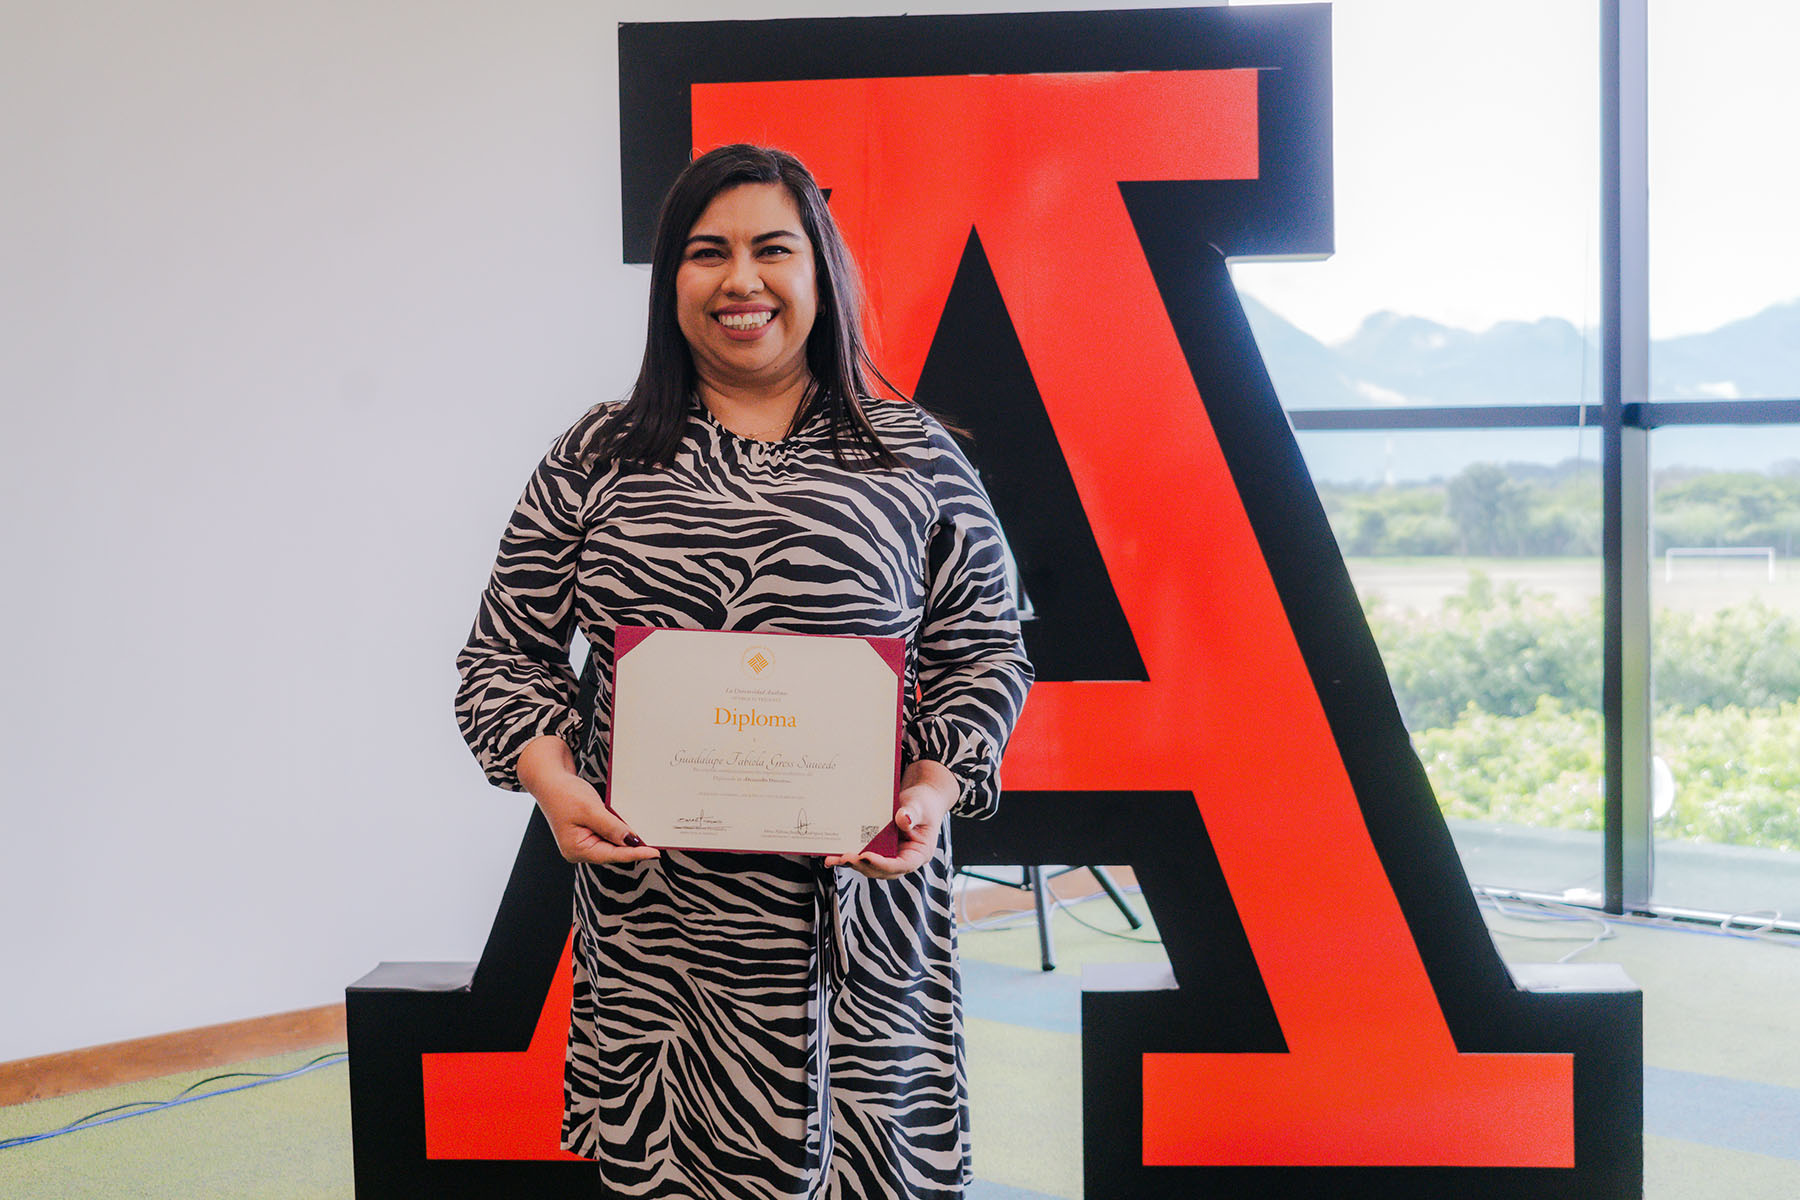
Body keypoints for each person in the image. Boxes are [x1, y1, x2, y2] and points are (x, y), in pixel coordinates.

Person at [453, 144, 1033, 1199]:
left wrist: (933, 790)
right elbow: (504, 652)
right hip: (663, 934)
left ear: (822, 272)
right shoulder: (596, 456)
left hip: (862, 923)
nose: (741, 281)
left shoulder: (915, 456)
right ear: (672, 278)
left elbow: (985, 649)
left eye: (773, 249)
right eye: (706, 252)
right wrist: (550, 780)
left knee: (875, 1174)